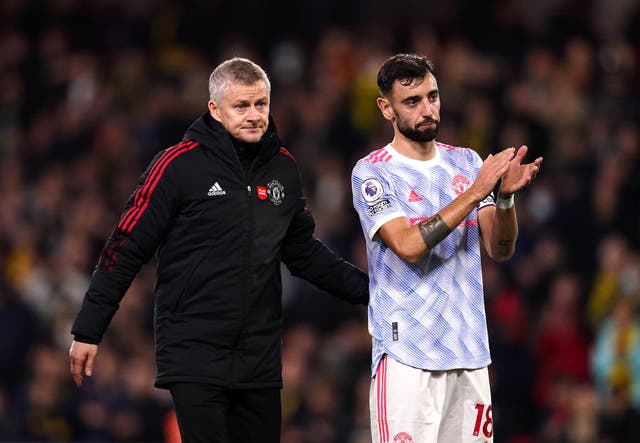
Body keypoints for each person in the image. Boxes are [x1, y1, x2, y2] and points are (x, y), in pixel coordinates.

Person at [69, 57, 369, 443]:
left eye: (261, 104)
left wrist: (372, 291)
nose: (254, 115)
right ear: (214, 109)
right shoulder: (177, 166)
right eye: (241, 106)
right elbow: (124, 247)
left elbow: (304, 253)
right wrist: (89, 330)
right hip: (194, 352)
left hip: (259, 357)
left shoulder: (282, 169)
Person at [351, 53, 542, 443]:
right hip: (407, 358)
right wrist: (476, 192)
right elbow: (407, 245)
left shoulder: (467, 162)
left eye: (432, 96)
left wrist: (503, 200)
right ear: (385, 108)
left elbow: (500, 248)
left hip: (469, 355)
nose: (427, 109)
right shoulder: (372, 172)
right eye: (412, 101)